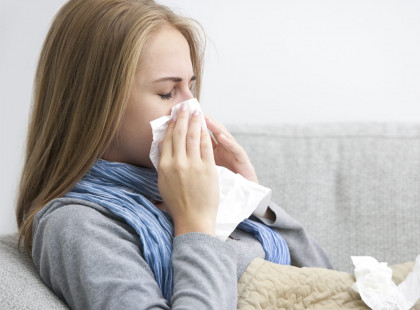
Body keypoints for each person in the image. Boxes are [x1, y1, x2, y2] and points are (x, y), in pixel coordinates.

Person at [15, 0, 332, 309]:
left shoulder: (188, 188)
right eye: (167, 91)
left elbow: (326, 283)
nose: (191, 108)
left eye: (190, 88)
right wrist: (195, 224)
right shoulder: (78, 225)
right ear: (96, 105)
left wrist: (252, 198)